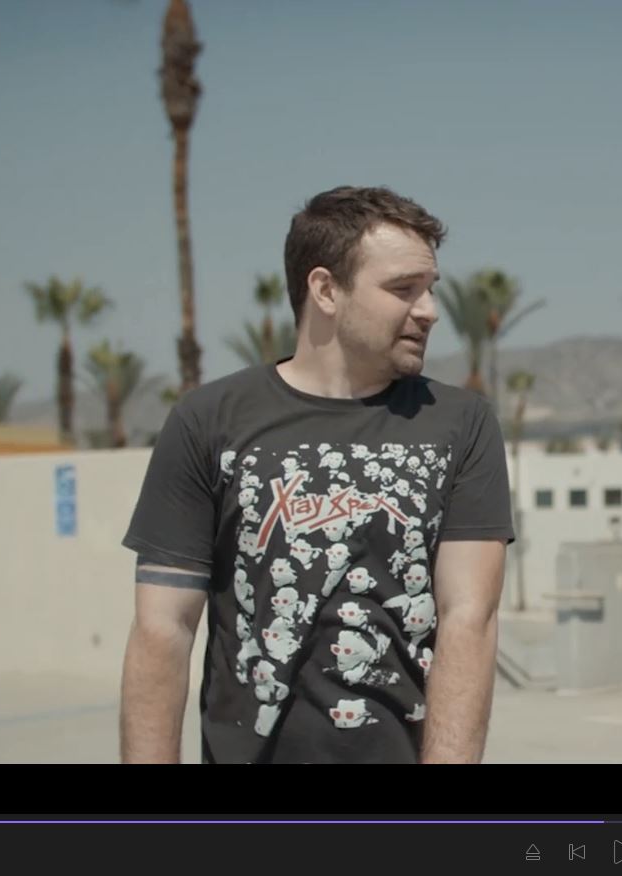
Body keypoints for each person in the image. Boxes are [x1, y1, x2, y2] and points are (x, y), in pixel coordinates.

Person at [118, 186, 515, 764]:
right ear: (326, 290)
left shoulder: (461, 424)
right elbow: (164, 630)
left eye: (430, 288)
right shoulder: (208, 421)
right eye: (403, 289)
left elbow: (468, 620)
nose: (429, 310)